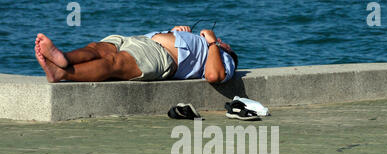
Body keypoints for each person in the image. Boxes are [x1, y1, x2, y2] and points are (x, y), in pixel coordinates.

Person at [34, 25, 238, 84]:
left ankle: (61, 73)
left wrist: (212, 41)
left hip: (160, 56)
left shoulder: (224, 58)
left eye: (225, 44)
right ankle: (64, 58)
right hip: (139, 40)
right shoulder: (210, 48)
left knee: (113, 63)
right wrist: (174, 31)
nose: (223, 42)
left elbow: (214, 75)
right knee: (97, 48)